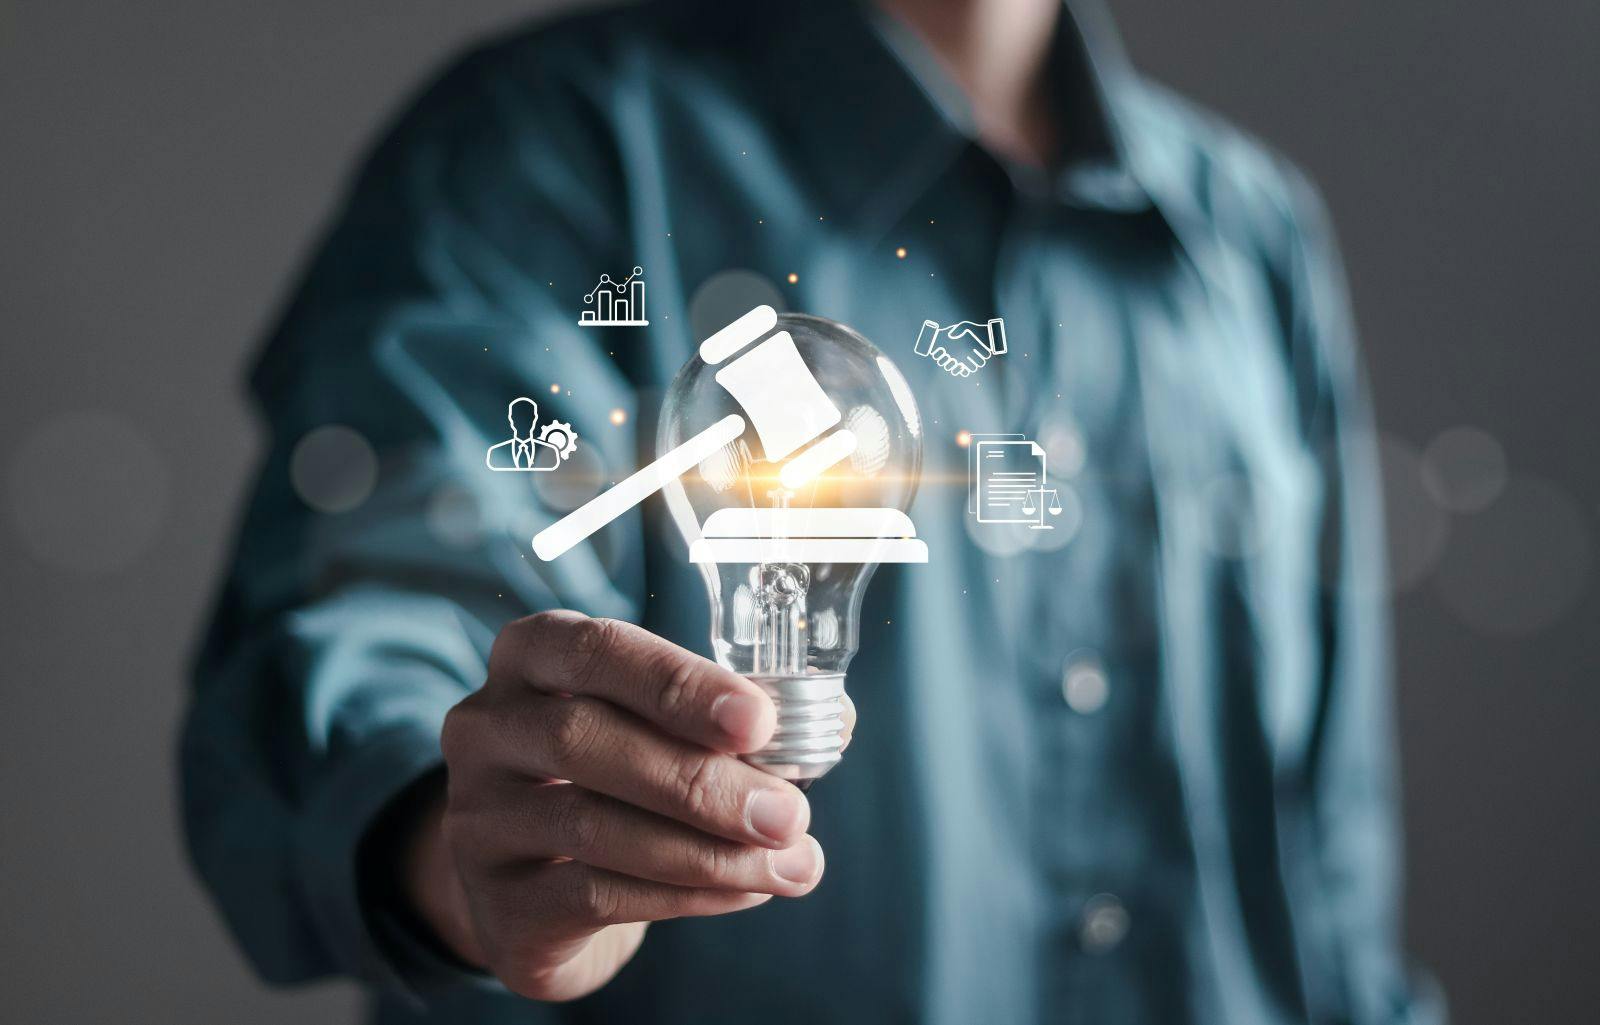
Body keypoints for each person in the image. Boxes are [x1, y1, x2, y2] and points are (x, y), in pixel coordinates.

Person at [182, 1, 1443, 1023]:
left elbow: (1323, 841)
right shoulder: (552, 152)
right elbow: (397, 599)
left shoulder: (1249, 239)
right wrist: (468, 850)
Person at [485, 397, 563, 471]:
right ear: (511, 419)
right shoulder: (494, 452)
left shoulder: (553, 453)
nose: (518, 422)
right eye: (514, 417)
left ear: (534, 419)